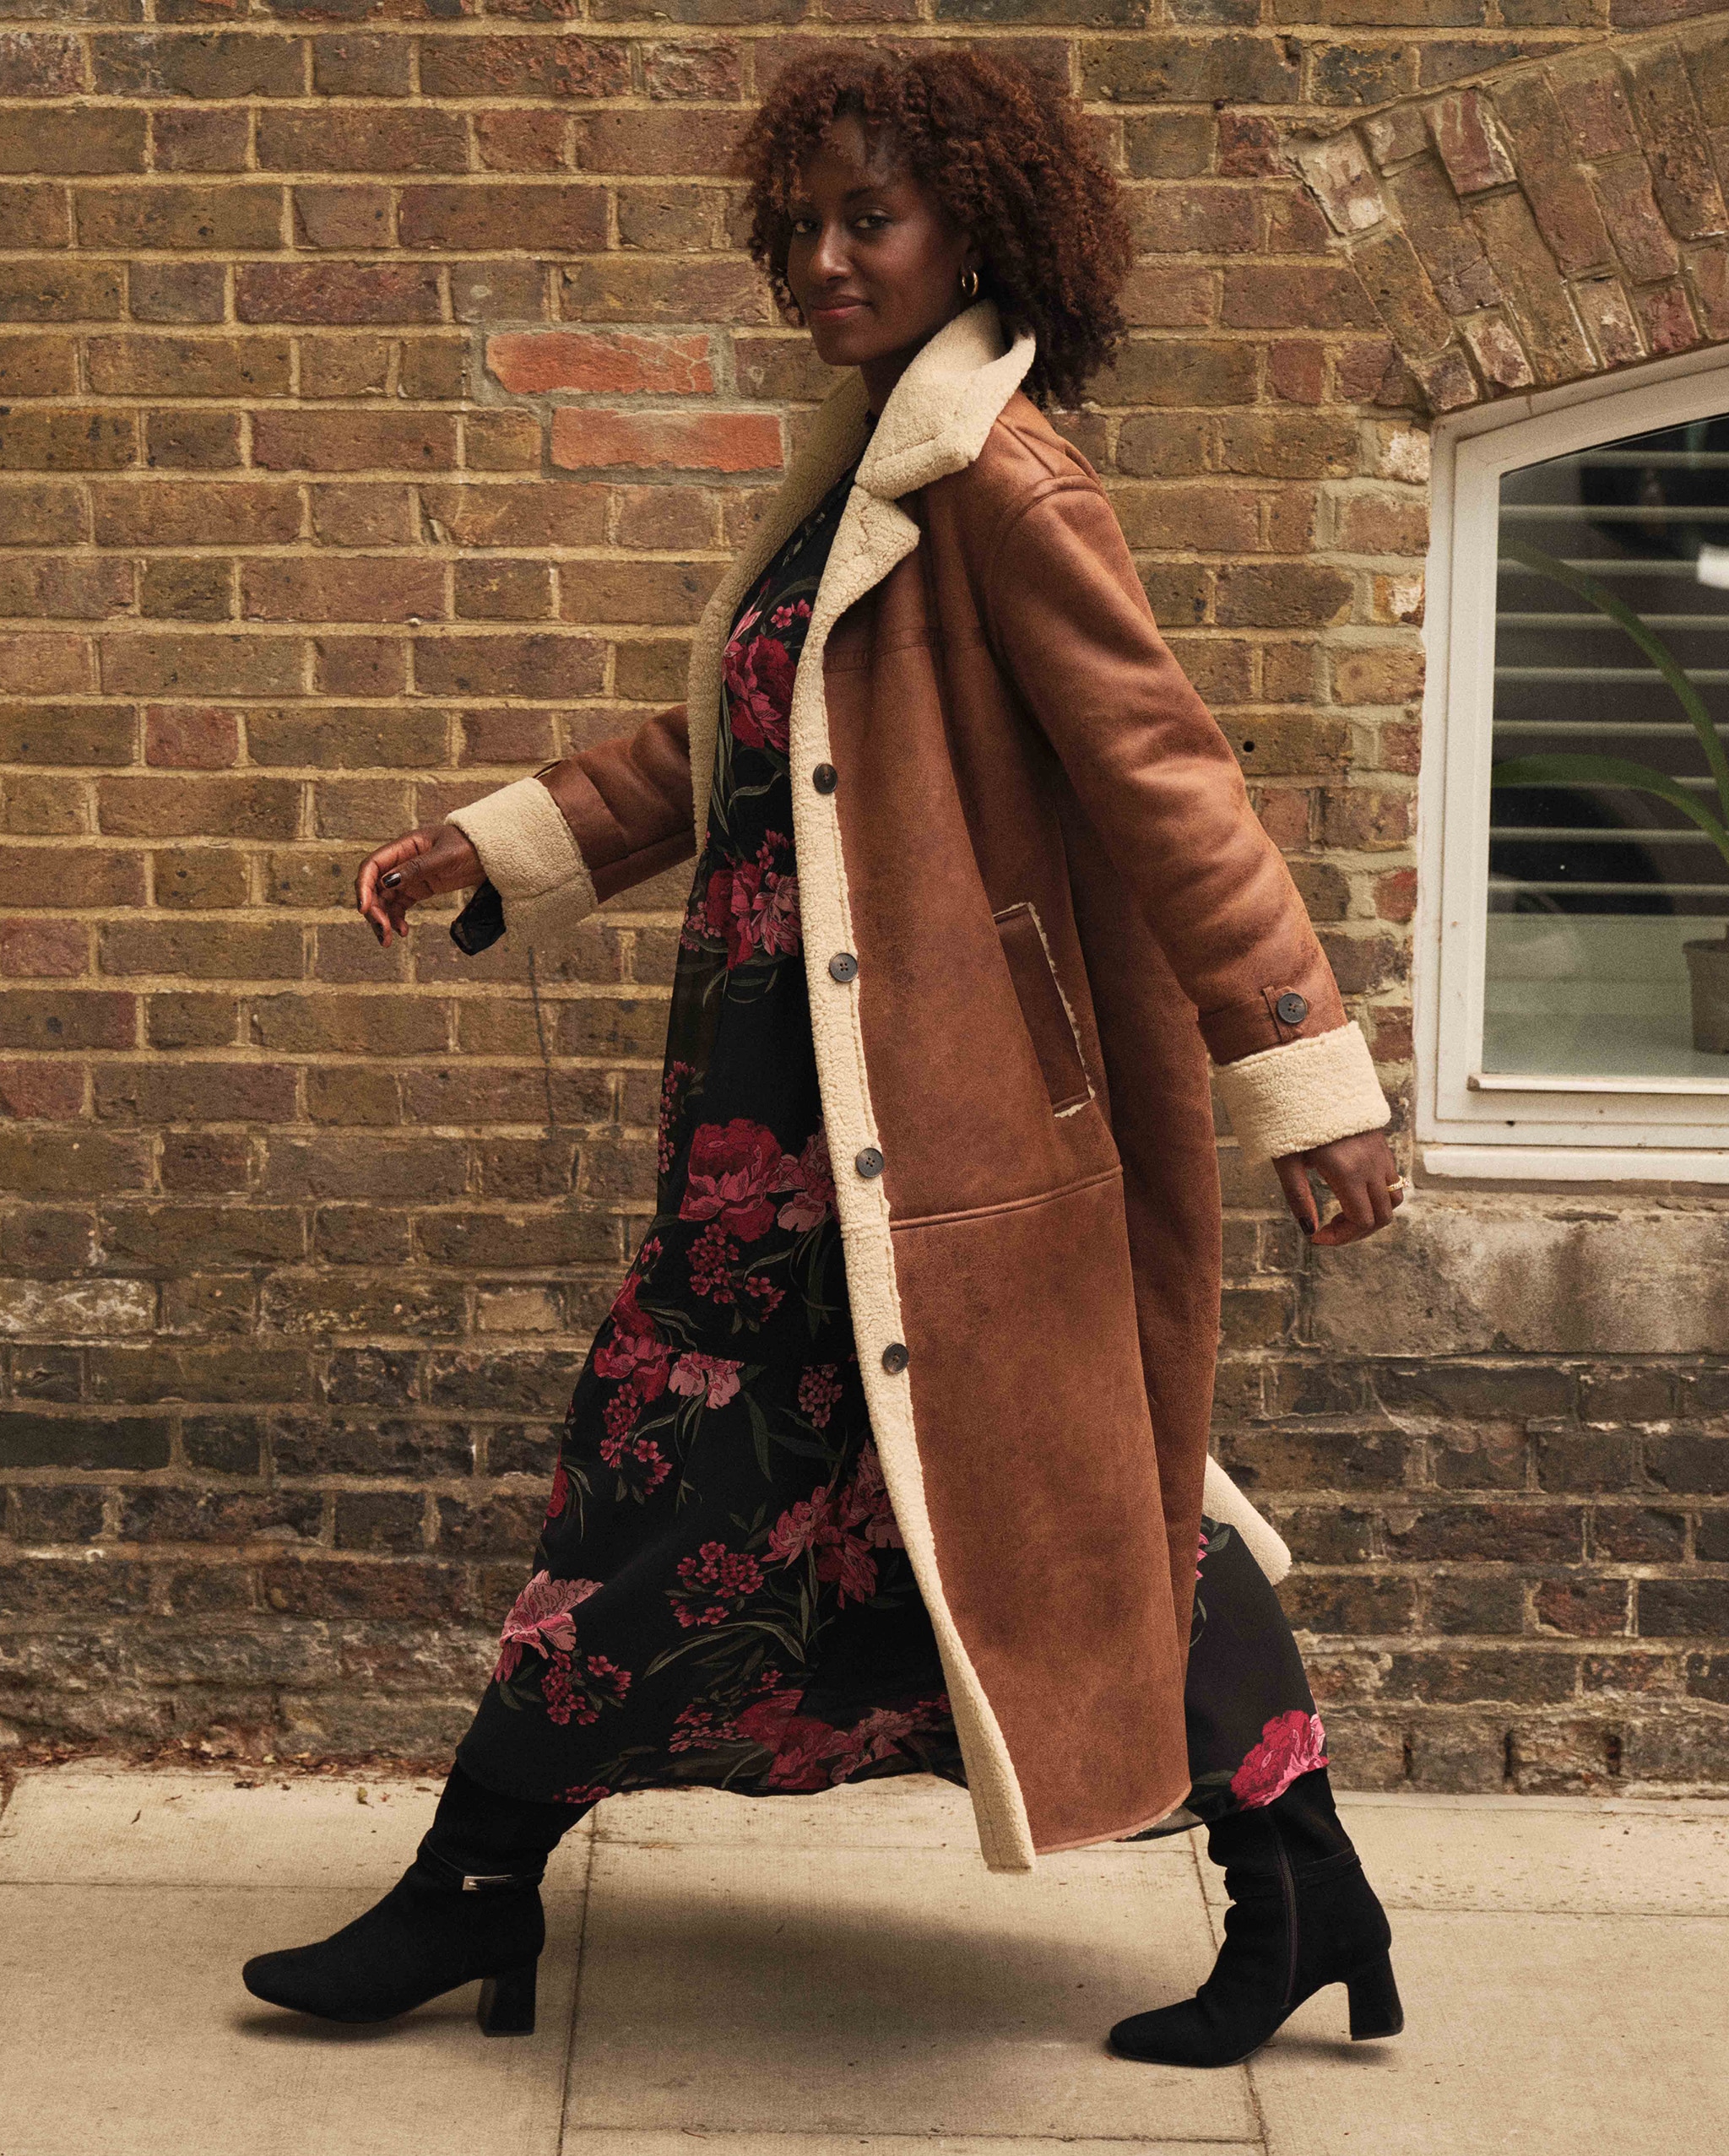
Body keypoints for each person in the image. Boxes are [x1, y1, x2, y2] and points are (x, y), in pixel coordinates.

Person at [241, 46, 1407, 2071]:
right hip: (791, 1115)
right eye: (799, 227)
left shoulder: (995, 475)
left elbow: (1171, 783)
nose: (821, 260)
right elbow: (727, 755)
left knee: (729, 1469)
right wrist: (502, 840)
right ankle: (1307, 1884)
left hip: (924, 1123)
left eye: (868, 220)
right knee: (1055, 1486)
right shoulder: (866, 471)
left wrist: (1305, 1070)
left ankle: (475, 1874)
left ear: (980, 230)